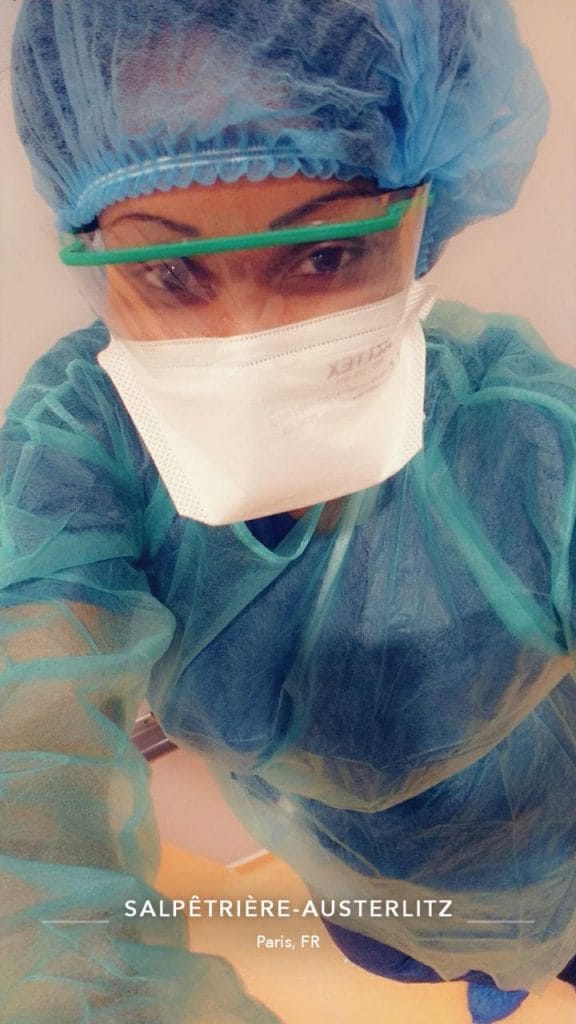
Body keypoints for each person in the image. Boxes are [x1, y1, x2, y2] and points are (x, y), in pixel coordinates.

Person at [3, 1, 576, 1022]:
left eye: (323, 254)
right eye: (166, 270)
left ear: (422, 213)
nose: (246, 335)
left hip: (559, 858)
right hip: (358, 895)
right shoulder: (81, 443)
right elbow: (26, 802)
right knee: (414, 959)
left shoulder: (525, 434)